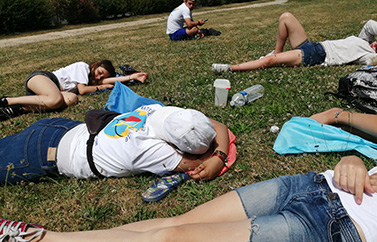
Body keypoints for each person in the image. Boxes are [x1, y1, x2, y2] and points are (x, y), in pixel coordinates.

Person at [2, 155, 377, 242]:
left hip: (345, 238)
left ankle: (35, 237)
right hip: (318, 183)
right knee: (177, 221)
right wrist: (353, 159)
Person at [0, 104, 230, 185]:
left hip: (62, 128)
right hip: (43, 153)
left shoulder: (166, 113)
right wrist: (218, 157)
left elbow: (217, 126)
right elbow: (198, 164)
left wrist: (218, 148)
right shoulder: (152, 150)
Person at [212, 11, 377, 73]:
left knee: (268, 62)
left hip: (315, 56)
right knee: (286, 17)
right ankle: (276, 51)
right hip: (313, 45)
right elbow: (369, 24)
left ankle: (230, 68)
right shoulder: (364, 41)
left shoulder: (370, 57)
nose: (376, 42)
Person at [0, 60, 148, 120]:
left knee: (71, 99)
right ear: (96, 65)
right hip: (43, 78)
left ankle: (20, 109)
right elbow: (83, 90)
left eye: (102, 75)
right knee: (56, 99)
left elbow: (110, 80)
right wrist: (101, 86)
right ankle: (7, 100)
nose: (99, 76)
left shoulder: (90, 78)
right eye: (100, 71)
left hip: (51, 91)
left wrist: (132, 77)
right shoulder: (82, 67)